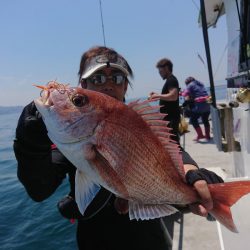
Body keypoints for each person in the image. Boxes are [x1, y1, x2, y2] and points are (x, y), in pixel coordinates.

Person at [13, 46, 223, 250]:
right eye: (98, 78)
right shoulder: (67, 139)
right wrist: (29, 145)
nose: (108, 84)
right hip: (95, 242)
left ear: (125, 87)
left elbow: (171, 152)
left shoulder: (143, 123)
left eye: (118, 77)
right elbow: (39, 190)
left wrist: (192, 174)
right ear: (83, 83)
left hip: (150, 241)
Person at [149, 58, 181, 143]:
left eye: (160, 71)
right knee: (172, 142)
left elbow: (173, 96)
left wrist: (158, 96)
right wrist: (157, 95)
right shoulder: (170, 80)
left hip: (172, 118)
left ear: (166, 68)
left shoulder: (171, 80)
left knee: (173, 143)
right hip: (170, 118)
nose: (160, 74)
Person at [182, 76, 211, 141]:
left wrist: (181, 93)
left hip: (200, 105)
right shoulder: (200, 83)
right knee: (205, 120)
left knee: (193, 120)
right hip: (207, 104)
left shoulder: (190, 85)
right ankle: (207, 136)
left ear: (187, 82)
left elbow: (185, 95)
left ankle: (200, 135)